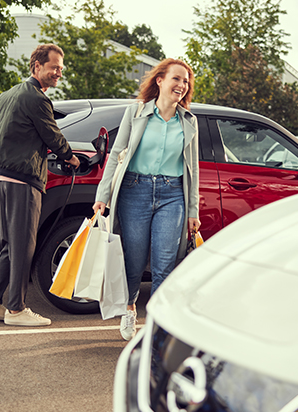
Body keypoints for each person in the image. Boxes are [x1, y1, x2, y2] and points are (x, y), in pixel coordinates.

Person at [92, 58, 201, 341]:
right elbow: (117, 155)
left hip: (172, 194)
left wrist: (193, 210)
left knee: (165, 262)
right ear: (160, 80)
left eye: (186, 81)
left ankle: (155, 324)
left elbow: (193, 168)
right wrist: (102, 195)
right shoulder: (136, 112)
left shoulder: (189, 122)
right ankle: (129, 309)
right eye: (176, 78)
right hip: (135, 191)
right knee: (135, 260)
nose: (182, 85)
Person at [0, 44, 80, 326]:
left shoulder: (8, 95)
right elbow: (52, 134)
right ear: (36, 66)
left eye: (61, 67)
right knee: (23, 246)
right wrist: (71, 158)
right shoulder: (36, 98)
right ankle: (17, 309)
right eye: (54, 67)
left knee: (11, 245)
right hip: (24, 179)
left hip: (3, 176)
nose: (59, 72)